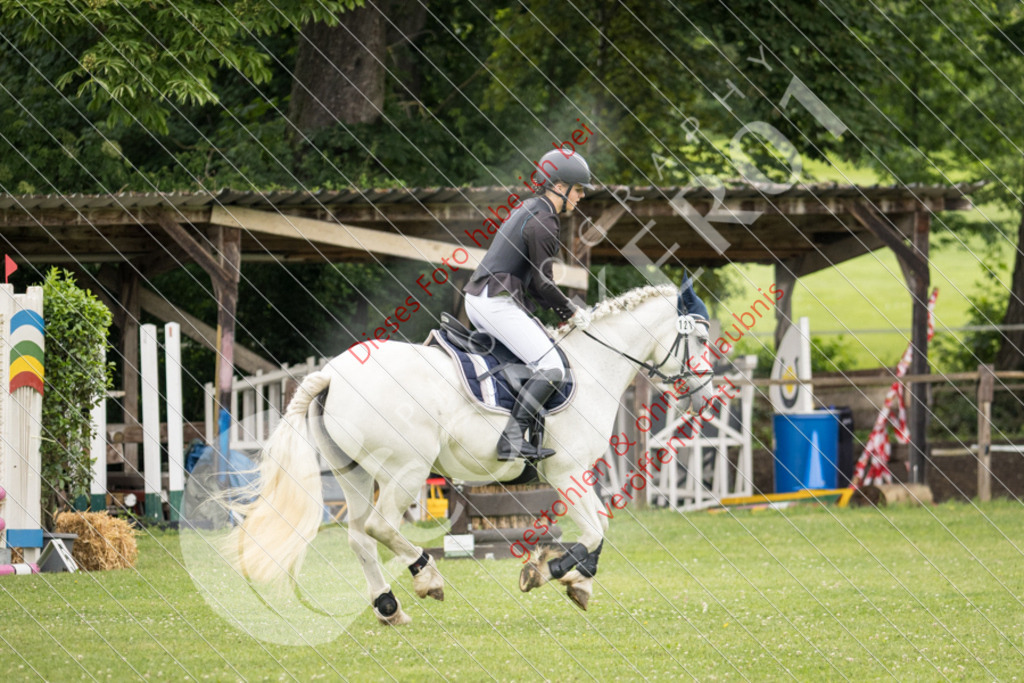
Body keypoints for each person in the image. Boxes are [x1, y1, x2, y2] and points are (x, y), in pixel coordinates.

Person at [463, 149, 593, 462]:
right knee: (552, 367)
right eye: (579, 190)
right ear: (559, 187)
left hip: (483, 298)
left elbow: (535, 284)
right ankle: (511, 438)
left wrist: (560, 312)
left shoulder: (527, 208)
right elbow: (543, 283)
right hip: (495, 302)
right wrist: (572, 312)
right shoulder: (545, 220)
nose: (581, 197)